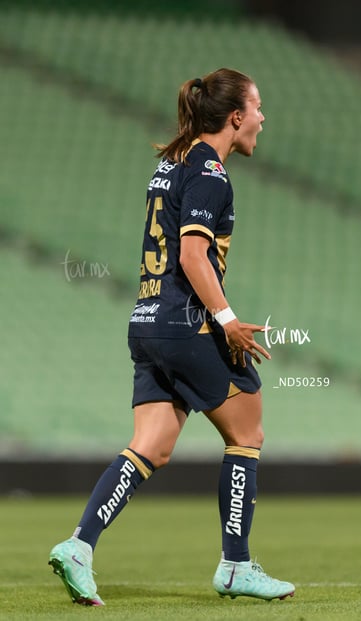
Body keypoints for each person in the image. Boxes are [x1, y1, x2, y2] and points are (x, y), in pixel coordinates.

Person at [49, 67, 295, 606]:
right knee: (247, 429)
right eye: (257, 109)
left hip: (146, 321)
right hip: (187, 323)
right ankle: (235, 564)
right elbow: (191, 254)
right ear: (235, 117)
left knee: (151, 447)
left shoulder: (171, 164)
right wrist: (227, 320)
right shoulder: (210, 172)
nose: (261, 118)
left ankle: (79, 547)